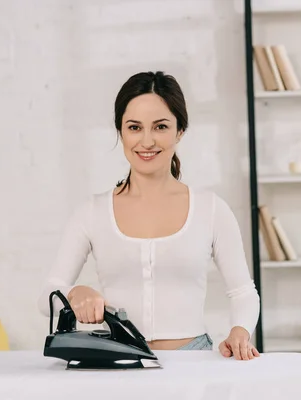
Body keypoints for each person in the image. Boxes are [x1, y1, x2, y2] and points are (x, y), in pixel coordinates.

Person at [38, 71, 261, 360]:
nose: (146, 141)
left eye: (160, 126)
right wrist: (74, 293)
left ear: (180, 131)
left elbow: (243, 291)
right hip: (118, 361)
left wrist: (239, 331)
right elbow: (47, 296)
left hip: (193, 362)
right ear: (120, 131)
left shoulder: (211, 209)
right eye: (134, 127)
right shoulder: (91, 213)